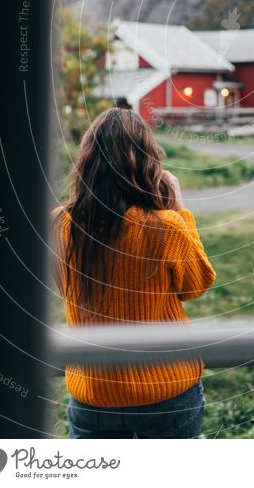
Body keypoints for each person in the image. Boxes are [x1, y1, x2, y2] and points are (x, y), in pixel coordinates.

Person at [52, 107, 216, 439]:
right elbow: (197, 284)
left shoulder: (59, 224)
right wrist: (180, 208)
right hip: (166, 386)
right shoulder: (165, 226)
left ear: (86, 163)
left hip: (94, 391)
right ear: (146, 160)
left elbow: (62, 284)